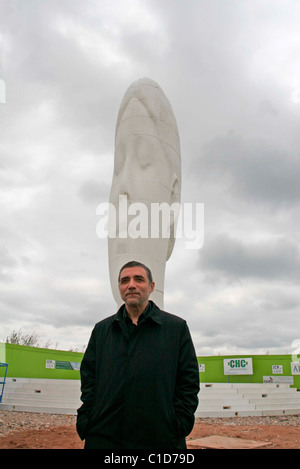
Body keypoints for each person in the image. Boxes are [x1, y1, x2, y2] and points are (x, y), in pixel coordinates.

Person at [76, 260, 199, 449]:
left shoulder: (176, 328)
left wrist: (179, 423)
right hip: (105, 437)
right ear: (119, 287)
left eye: (138, 279)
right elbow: (88, 378)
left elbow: (188, 381)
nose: (131, 285)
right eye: (125, 280)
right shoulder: (102, 330)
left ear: (151, 286)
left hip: (161, 438)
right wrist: (87, 420)